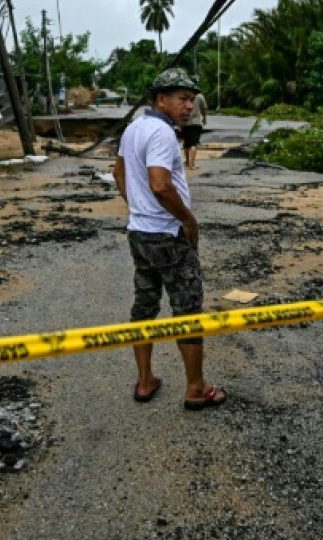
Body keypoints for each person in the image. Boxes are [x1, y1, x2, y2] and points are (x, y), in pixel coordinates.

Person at [112, 68, 227, 410]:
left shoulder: (134, 127)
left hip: (140, 233)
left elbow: (118, 172)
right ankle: (196, 388)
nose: (189, 106)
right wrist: (188, 220)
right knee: (187, 310)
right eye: (182, 99)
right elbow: (160, 184)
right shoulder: (161, 133)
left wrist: (137, 208)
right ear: (161, 99)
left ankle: (145, 380)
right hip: (168, 235)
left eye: (192, 100)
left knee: (144, 306)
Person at [182, 85, 208, 170]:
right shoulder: (200, 96)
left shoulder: (185, 95)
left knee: (186, 143)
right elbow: (204, 109)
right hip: (196, 123)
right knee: (194, 143)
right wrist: (205, 118)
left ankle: (187, 162)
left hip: (185, 123)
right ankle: (192, 164)